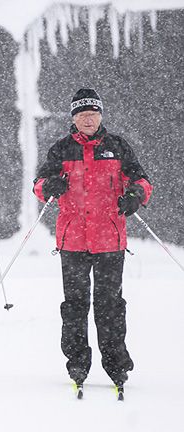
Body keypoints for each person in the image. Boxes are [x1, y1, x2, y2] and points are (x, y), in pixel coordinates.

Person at [33, 88, 153, 393]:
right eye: (82, 114)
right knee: (74, 306)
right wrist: (51, 185)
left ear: (100, 115)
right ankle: (77, 363)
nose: (88, 119)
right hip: (72, 241)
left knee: (110, 305)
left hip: (110, 240)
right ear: (74, 118)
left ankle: (116, 365)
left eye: (93, 113)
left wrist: (135, 197)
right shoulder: (61, 149)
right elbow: (39, 185)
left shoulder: (117, 147)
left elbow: (142, 181)